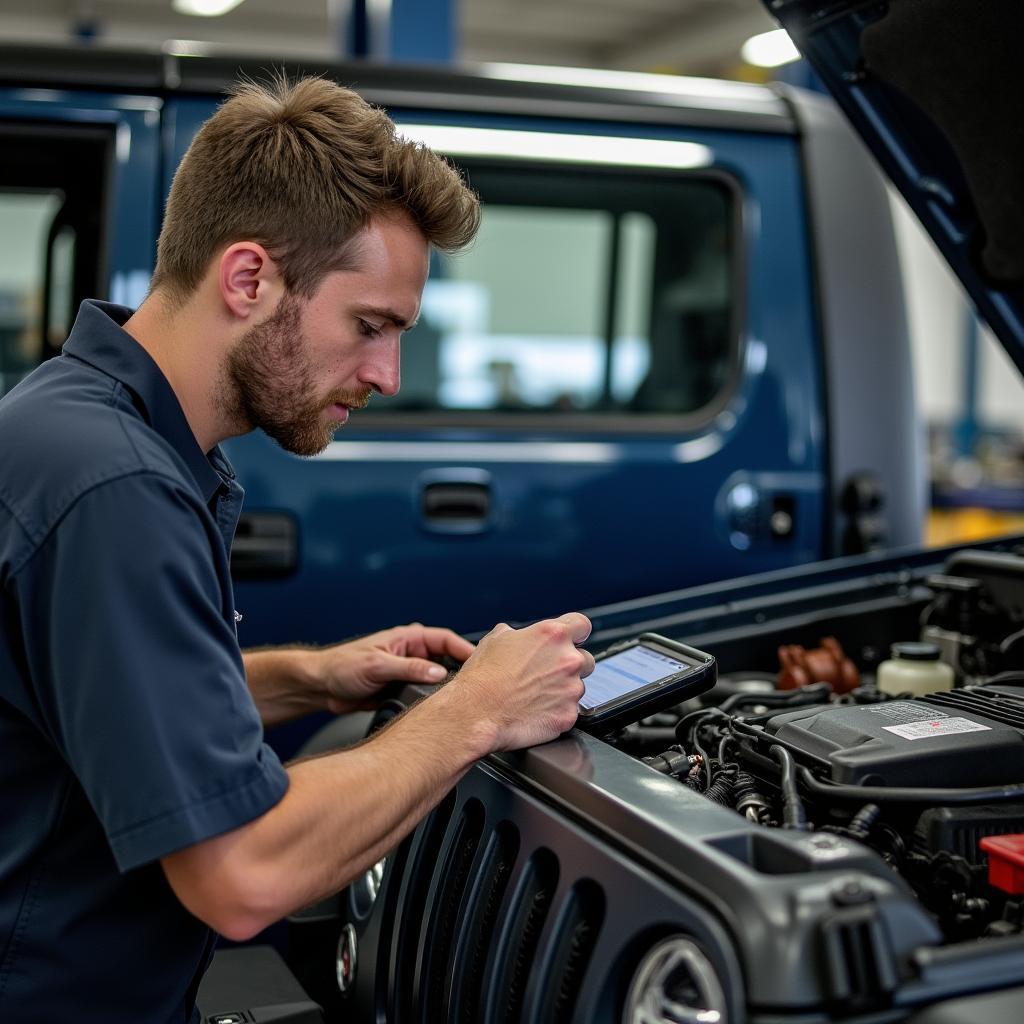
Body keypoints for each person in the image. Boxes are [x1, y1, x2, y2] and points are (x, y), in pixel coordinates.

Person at [0, 76, 593, 1022]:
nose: (387, 375)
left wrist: (308, 678)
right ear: (248, 279)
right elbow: (241, 872)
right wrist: (480, 710)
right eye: (370, 326)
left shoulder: (79, 427)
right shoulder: (115, 487)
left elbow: (98, 705)